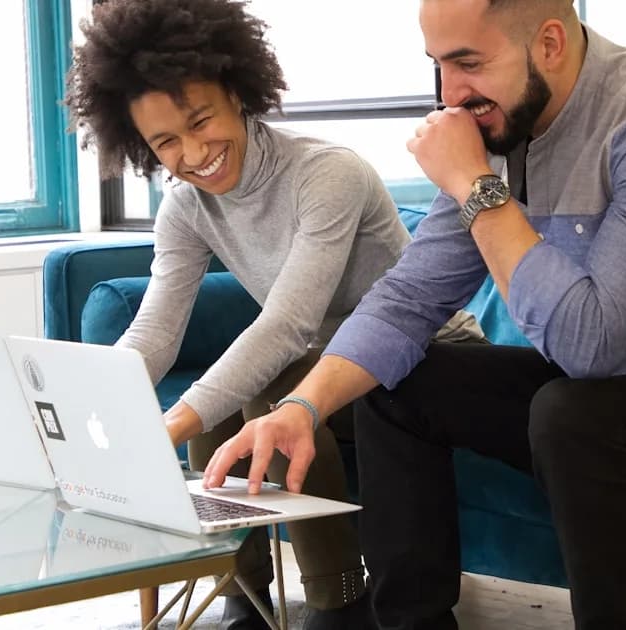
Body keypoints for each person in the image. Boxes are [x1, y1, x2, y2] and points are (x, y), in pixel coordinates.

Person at [202, 1, 626, 628]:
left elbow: (590, 346)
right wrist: (302, 407)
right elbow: (406, 301)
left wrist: (474, 185)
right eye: (436, 64)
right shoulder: (503, 125)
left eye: (467, 62)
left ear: (549, 42)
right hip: (618, 396)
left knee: (573, 413)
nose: (447, 95)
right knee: (399, 386)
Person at [64, 1, 482, 628]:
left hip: (428, 362)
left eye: (201, 120)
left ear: (239, 93)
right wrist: (89, 407)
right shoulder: (185, 208)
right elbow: (153, 334)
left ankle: (338, 602)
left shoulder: (326, 174)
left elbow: (288, 325)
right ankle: (244, 592)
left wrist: (166, 427)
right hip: (333, 378)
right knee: (224, 401)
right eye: (166, 142)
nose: (194, 152)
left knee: (266, 385)